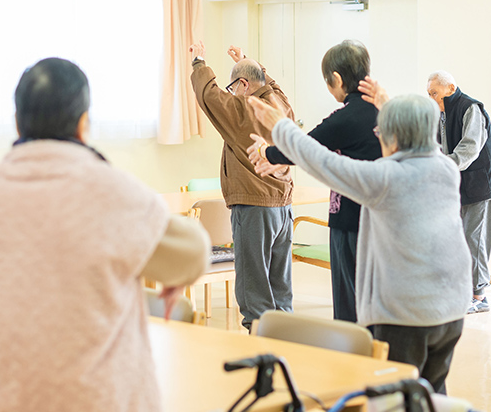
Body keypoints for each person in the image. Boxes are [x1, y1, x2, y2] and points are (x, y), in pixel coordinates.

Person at [0, 58, 209, 412]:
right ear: (84, 123)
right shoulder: (111, 191)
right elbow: (193, 253)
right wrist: (174, 271)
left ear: (16, 121)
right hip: (93, 399)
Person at [248, 93, 470, 395]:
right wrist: (387, 104)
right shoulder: (444, 169)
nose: (379, 138)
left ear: (394, 136)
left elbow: (323, 162)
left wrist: (280, 128)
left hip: (407, 317)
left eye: (381, 131)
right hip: (452, 310)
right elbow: (419, 125)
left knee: (395, 399)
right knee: (431, 395)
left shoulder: (387, 178)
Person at [247, 39, 381, 323]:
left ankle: (354, 358)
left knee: (349, 302)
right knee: (376, 299)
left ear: (336, 79)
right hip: (385, 222)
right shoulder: (389, 113)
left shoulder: (345, 118)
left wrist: (266, 152)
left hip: (350, 221)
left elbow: (305, 147)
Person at [190, 41, 294, 330]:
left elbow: (208, 95)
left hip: (254, 208)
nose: (231, 92)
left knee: (253, 288)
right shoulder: (281, 105)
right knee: (279, 285)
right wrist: (249, 63)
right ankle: (286, 340)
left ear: (243, 84)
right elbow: (270, 84)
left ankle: (261, 346)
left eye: (233, 86)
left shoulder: (241, 110)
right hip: (284, 209)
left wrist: (199, 62)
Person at [424, 72, 491, 315]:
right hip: (463, 184)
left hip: (482, 183)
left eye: (435, 93)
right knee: (462, 238)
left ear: (451, 88)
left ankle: (479, 296)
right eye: (429, 94)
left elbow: (469, 147)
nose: (432, 98)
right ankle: (464, 291)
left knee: (476, 239)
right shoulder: (443, 113)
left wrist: (443, 165)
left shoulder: (470, 108)